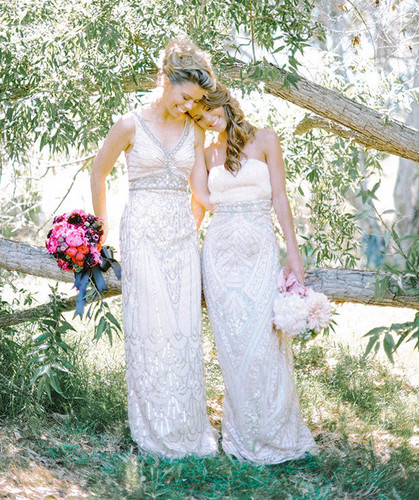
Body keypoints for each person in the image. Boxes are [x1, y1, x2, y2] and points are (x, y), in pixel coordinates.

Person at [90, 38, 218, 458]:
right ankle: (153, 427)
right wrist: (101, 228)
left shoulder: (195, 130)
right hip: (142, 231)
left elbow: (199, 190)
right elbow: (98, 170)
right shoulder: (129, 124)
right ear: (166, 81)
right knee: (149, 327)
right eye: (184, 97)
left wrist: (225, 214)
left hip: (181, 235)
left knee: (182, 329)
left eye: (195, 101)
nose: (188, 106)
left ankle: (186, 424)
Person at [190, 85, 317, 464]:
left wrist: (293, 253)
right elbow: (200, 199)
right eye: (198, 117)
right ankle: (242, 434)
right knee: (231, 344)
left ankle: (275, 432)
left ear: (224, 102)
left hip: (260, 249)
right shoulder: (207, 152)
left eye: (209, 111)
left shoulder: (266, 139)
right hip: (219, 253)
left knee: (264, 339)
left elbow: (280, 197)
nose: (207, 120)